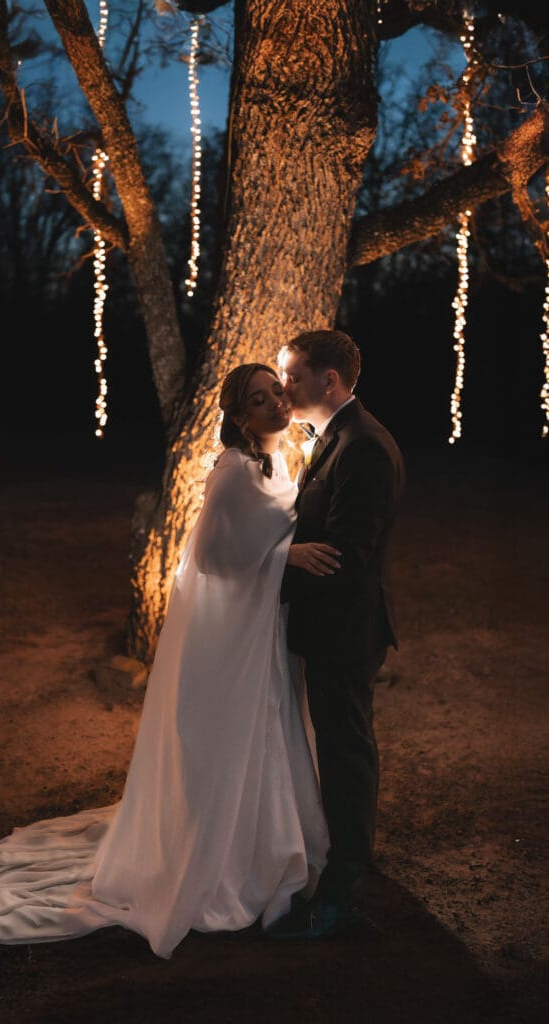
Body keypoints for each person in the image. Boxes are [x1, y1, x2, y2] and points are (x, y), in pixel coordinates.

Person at [0, 363, 337, 960]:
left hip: (261, 631)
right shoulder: (231, 471)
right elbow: (212, 557)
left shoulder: (283, 459)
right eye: (260, 399)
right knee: (232, 738)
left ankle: (264, 845)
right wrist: (288, 555)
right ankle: (220, 863)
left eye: (277, 392)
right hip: (228, 635)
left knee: (266, 733)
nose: (277, 403)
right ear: (241, 417)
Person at [267, 330, 405, 941]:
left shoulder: (364, 447)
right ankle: (343, 864)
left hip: (345, 631)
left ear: (330, 380)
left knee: (346, 753)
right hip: (329, 626)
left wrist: (274, 564)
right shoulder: (333, 440)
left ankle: (345, 888)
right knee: (341, 745)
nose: (284, 387)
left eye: (294, 375)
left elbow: (345, 554)